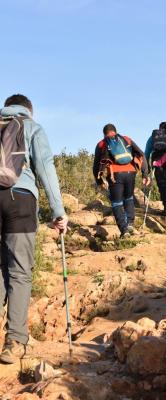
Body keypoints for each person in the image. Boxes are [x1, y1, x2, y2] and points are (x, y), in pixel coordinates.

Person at [0, 94, 68, 364]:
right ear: (30, 110)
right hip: (21, 201)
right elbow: (45, 169)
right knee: (19, 272)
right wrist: (58, 211)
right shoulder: (31, 127)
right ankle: (15, 340)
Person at [93, 124, 149, 237]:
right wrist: (145, 174)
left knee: (117, 202)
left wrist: (99, 181)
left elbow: (95, 166)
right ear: (115, 131)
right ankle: (130, 224)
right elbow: (141, 154)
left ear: (104, 134)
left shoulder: (101, 144)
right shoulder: (126, 139)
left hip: (115, 174)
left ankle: (124, 230)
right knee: (128, 197)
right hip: (130, 172)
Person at [145, 122, 166, 216]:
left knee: (161, 183)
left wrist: (147, 167)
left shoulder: (153, 137)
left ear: (159, 128)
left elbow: (147, 152)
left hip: (158, 158)